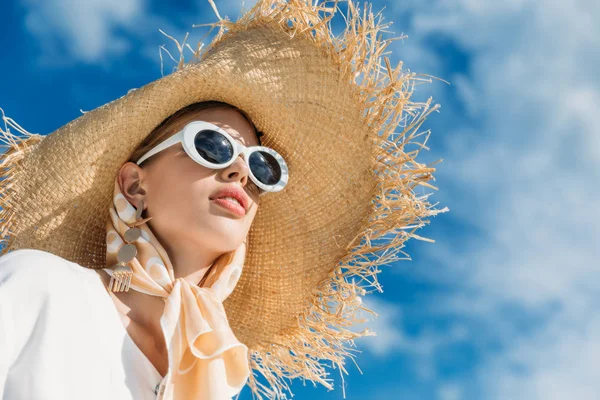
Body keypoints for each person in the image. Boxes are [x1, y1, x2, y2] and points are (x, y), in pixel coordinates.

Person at [0, 0, 448, 399]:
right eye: (211, 145)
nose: (240, 172)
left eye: (262, 167)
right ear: (136, 186)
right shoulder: (39, 286)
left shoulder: (214, 381)